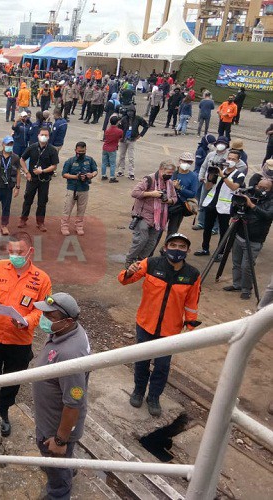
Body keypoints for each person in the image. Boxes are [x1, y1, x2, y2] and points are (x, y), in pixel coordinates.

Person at [0, 233, 52, 436]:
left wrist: (27, 322)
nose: (15, 255)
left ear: (30, 252)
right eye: (12, 251)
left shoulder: (42, 279)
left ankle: (3, 410)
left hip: (20, 342)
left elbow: (42, 310)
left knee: (12, 379)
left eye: (20, 252)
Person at [119, 233, 201, 416]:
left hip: (169, 330)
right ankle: (139, 391)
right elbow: (125, 280)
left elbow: (192, 302)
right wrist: (130, 271)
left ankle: (154, 397)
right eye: (173, 245)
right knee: (142, 361)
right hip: (145, 324)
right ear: (165, 248)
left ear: (187, 250)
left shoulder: (192, 275)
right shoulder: (151, 264)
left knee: (162, 366)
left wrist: (190, 326)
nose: (176, 249)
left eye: (181, 246)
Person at [32, 292, 90, 500]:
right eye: (44, 313)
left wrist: (59, 439)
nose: (44, 319)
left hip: (55, 427)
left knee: (56, 462)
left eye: (50, 317)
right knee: (59, 460)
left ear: (67, 321)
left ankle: (58, 492)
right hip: (51, 415)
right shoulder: (68, 331)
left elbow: (73, 403)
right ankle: (63, 466)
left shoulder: (70, 355)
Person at [222, 178, 273, 300]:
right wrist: (235, 203)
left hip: (255, 239)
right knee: (236, 263)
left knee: (247, 266)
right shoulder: (249, 194)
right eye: (259, 186)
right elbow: (234, 213)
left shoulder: (271, 202)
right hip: (239, 234)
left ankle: (246, 289)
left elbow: (267, 216)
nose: (260, 190)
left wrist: (252, 205)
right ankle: (237, 284)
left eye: (264, 188)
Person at [124, 161, 178, 267]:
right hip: (143, 215)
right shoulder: (149, 179)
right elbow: (134, 193)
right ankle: (130, 259)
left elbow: (174, 199)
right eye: (168, 172)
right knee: (141, 240)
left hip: (159, 218)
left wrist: (168, 200)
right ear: (161, 169)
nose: (170, 175)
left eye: (172, 173)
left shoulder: (169, 183)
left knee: (151, 242)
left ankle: (141, 261)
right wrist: (151, 194)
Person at [194, 149, 246, 257]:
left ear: (238, 161)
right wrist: (210, 177)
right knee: (207, 228)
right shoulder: (219, 170)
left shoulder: (239, 175)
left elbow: (233, 187)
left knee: (223, 230)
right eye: (229, 158)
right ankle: (205, 248)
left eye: (233, 159)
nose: (230, 160)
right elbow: (208, 187)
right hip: (212, 203)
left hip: (225, 207)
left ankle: (220, 252)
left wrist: (223, 176)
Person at [18, 127, 59, 232]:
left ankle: (40, 222)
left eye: (46, 135)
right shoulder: (32, 147)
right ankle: (23, 219)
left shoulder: (52, 150)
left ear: (49, 137)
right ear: (38, 135)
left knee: (42, 202)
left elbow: (54, 166)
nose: (43, 137)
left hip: (44, 180)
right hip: (32, 179)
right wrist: (27, 172)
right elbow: (22, 159)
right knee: (28, 199)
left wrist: (43, 171)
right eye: (42, 134)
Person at [60, 142, 98, 236]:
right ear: (75, 150)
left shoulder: (89, 160)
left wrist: (91, 175)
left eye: (83, 151)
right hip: (72, 188)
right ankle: (64, 226)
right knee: (68, 208)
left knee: (81, 209)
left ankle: (79, 226)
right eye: (79, 151)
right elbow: (64, 174)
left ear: (85, 150)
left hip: (84, 188)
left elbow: (95, 170)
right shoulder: (70, 161)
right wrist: (75, 177)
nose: (81, 152)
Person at [166, 152, 199, 236]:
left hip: (179, 206)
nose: (186, 164)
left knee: (173, 230)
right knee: (158, 228)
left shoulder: (193, 176)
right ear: (179, 161)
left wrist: (179, 188)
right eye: (184, 161)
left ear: (191, 163)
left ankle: (169, 247)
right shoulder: (172, 173)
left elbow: (192, 194)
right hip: (166, 203)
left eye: (189, 162)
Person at [116, 108, 149, 181]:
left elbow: (146, 126)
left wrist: (140, 135)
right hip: (123, 140)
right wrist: (119, 138)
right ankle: (121, 171)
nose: (130, 113)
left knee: (131, 157)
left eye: (131, 111)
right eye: (128, 111)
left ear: (134, 112)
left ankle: (131, 173)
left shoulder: (138, 119)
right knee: (121, 156)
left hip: (132, 140)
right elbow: (118, 128)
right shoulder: (124, 119)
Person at [102, 115, 123, 182]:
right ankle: (112, 177)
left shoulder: (107, 130)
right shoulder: (119, 131)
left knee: (104, 162)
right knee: (112, 163)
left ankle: (103, 175)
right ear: (117, 122)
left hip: (105, 147)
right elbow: (120, 138)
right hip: (112, 148)